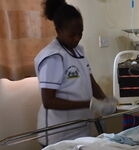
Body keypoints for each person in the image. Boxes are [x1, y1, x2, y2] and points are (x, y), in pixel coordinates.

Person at [34, 0, 107, 146]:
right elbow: (48, 101)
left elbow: (91, 83)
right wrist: (91, 104)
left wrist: (106, 101)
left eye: (80, 33)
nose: (77, 38)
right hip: (58, 134)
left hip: (80, 129)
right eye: (72, 34)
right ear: (59, 31)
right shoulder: (53, 57)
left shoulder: (79, 51)